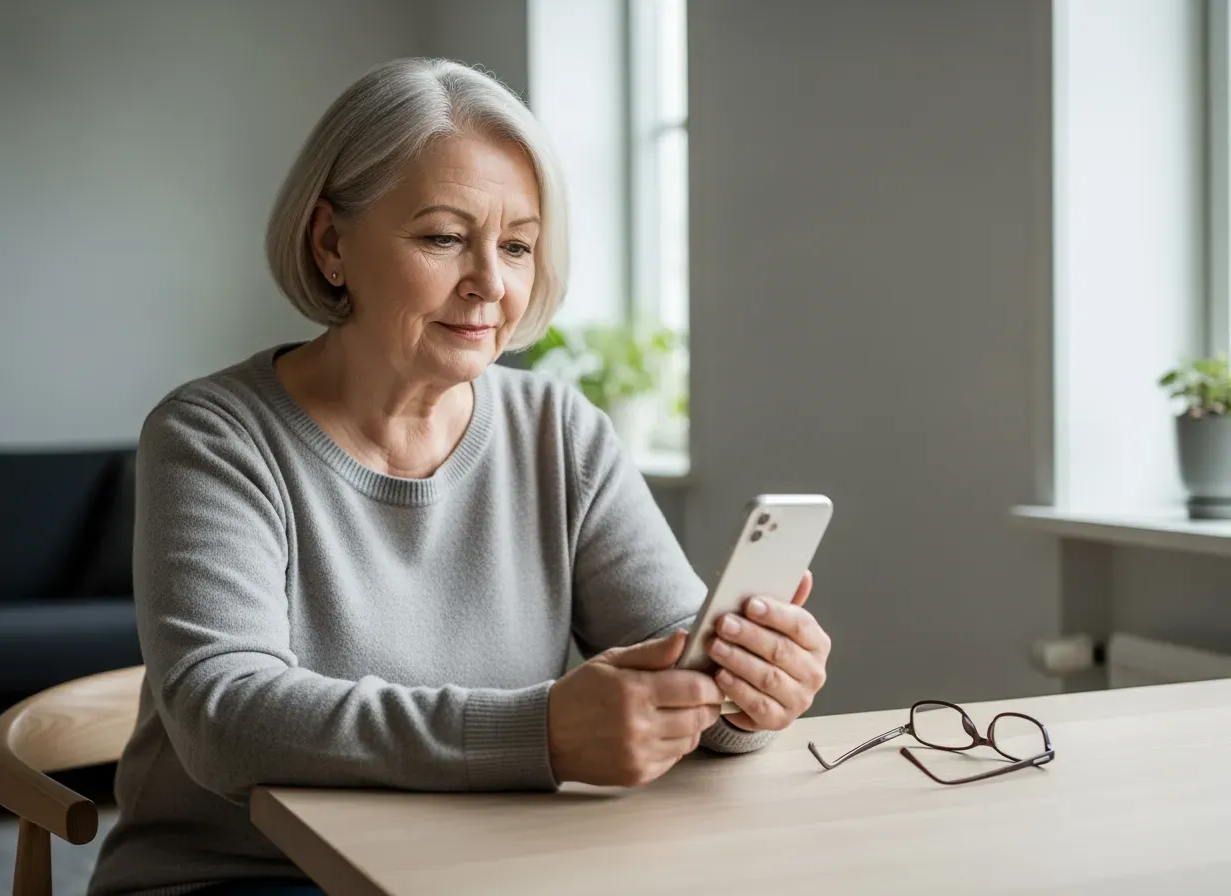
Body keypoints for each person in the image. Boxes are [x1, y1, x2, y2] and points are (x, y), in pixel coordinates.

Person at [88, 58, 831, 896]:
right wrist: (540, 733)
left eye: (516, 246)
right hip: (248, 876)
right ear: (330, 243)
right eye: (443, 238)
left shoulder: (560, 430)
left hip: (488, 866)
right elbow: (226, 720)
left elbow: (674, 656)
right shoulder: (213, 435)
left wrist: (745, 692)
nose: (491, 285)